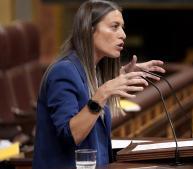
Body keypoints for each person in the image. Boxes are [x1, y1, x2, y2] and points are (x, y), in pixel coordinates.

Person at [32, 1, 165, 169]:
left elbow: (86, 87)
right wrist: (104, 92)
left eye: (122, 27)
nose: (123, 34)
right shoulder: (62, 72)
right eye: (115, 26)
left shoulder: (93, 72)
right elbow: (70, 135)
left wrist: (121, 74)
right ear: (89, 30)